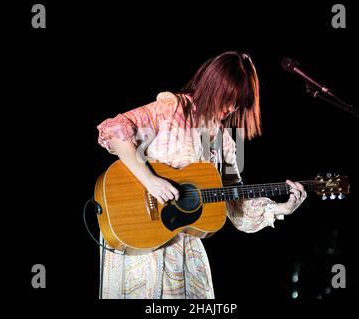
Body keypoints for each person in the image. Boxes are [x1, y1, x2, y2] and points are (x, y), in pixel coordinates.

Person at [96, 51, 307, 299]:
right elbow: (113, 130)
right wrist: (150, 180)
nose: (230, 108)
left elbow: (235, 205)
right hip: (141, 232)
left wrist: (281, 209)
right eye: (228, 98)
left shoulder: (226, 142)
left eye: (237, 102)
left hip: (184, 246)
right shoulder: (171, 108)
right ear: (212, 86)